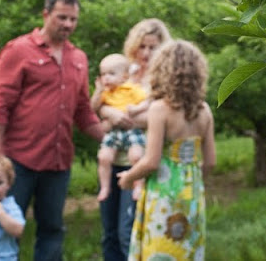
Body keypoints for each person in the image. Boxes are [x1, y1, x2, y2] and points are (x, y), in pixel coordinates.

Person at [0, 0, 106, 261]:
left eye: (73, 19)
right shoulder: (19, 50)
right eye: (62, 17)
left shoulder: (78, 58)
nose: (68, 24)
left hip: (57, 161)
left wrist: (110, 139)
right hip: (17, 160)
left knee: (52, 229)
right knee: (5, 229)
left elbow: (83, 110)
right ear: (46, 14)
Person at [117, 40, 216, 261]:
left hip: (163, 192)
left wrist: (128, 177)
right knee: (186, 250)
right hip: (192, 192)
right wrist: (190, 178)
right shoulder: (204, 110)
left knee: (161, 247)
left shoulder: (160, 109)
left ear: (161, 72)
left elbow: (151, 161)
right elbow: (210, 162)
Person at [98, 18, 171, 261]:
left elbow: (161, 118)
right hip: (113, 159)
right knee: (109, 233)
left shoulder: (162, 79)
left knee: (126, 231)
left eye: (153, 47)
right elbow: (102, 106)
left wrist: (124, 118)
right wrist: (110, 113)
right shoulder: (121, 73)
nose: (146, 53)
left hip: (140, 162)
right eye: (142, 46)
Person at [91, 53, 150, 202]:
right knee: (103, 157)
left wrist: (136, 109)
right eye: (103, 74)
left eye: (111, 74)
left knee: (136, 156)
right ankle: (105, 187)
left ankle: (138, 185)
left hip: (132, 130)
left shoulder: (131, 89)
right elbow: (93, 107)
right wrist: (98, 91)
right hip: (114, 131)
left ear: (124, 76)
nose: (106, 78)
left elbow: (146, 102)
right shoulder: (105, 93)